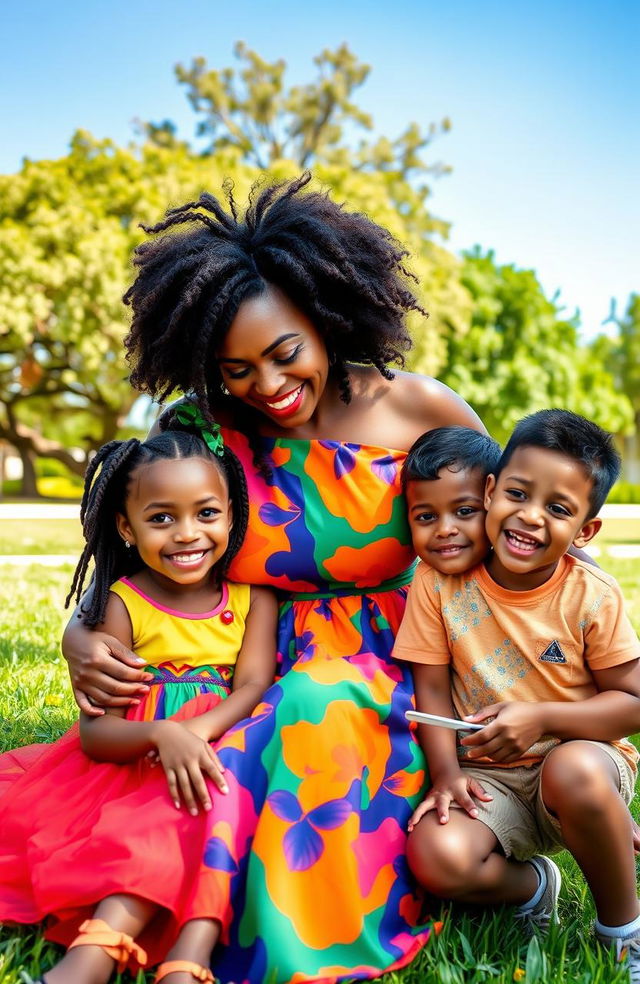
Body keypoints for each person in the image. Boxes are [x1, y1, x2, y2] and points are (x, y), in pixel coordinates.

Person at [59, 173, 486, 983]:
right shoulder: (202, 429)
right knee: (237, 741)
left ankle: (292, 946)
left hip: (398, 668)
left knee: (309, 707)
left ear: (327, 320)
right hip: (242, 665)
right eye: (237, 368)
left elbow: (510, 534)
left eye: (285, 354)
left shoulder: (419, 408)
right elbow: (130, 549)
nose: (267, 385)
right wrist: (82, 632)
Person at [0, 420, 278, 984]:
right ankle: (96, 953)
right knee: (154, 824)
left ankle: (183, 956)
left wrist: (196, 734)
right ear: (126, 528)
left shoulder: (254, 600)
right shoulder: (124, 604)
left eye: (206, 513)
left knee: (212, 819)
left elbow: (251, 686)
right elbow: (97, 735)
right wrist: (161, 734)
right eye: (161, 518)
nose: (186, 534)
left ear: (232, 514)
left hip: (224, 750)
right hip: (134, 766)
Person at [394, 409, 640, 979]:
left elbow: (632, 702)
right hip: (491, 775)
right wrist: (446, 776)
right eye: (518, 493)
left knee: (573, 769)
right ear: (490, 490)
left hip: (579, 762)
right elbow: (428, 688)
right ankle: (532, 889)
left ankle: (623, 931)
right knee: (437, 855)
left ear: (585, 530)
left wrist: (542, 718)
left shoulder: (590, 594)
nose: (529, 518)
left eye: (557, 510)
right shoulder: (440, 581)